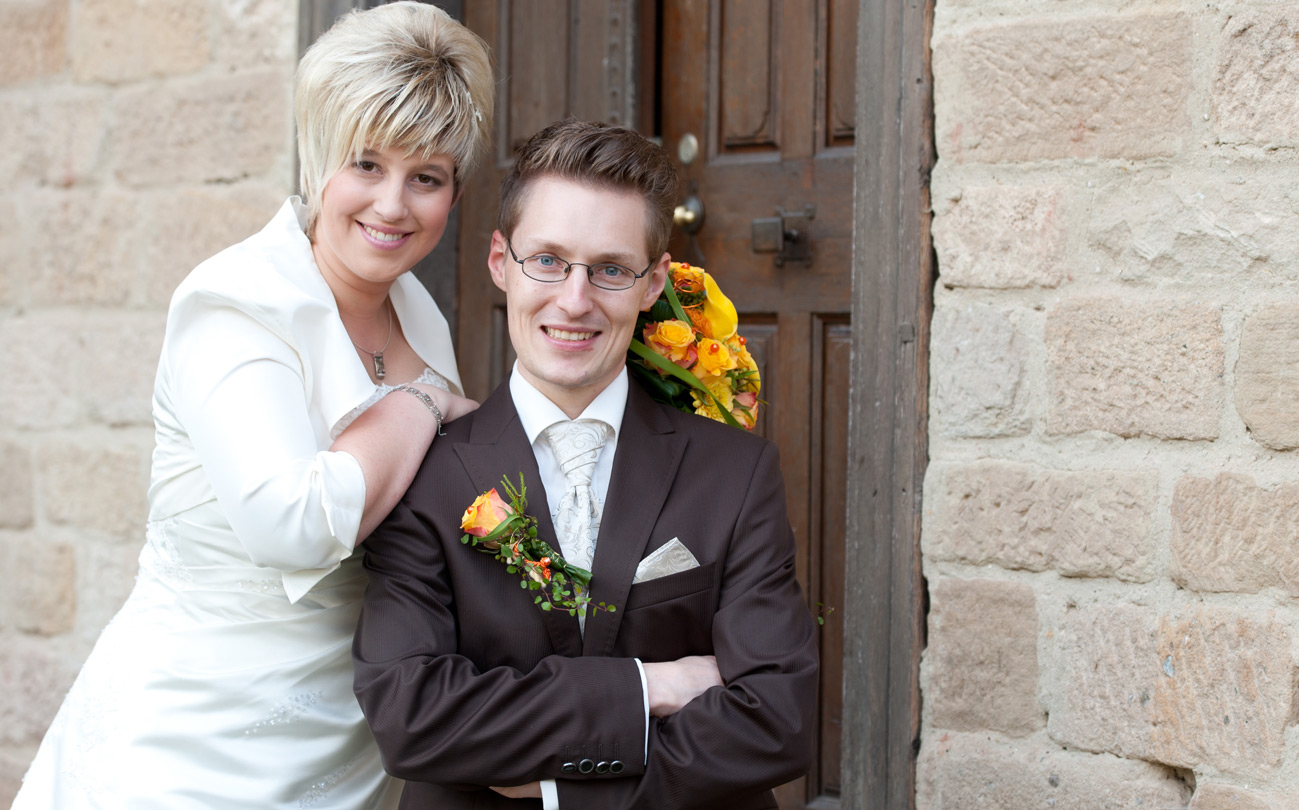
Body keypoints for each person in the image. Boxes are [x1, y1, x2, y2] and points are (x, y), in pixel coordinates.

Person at [13, 4, 493, 808]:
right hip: (192, 742)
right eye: (366, 163)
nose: (392, 205)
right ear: (317, 156)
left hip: (347, 749)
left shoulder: (420, 313)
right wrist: (421, 401)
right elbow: (288, 523)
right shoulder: (235, 303)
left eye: (427, 178)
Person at [352, 119, 819, 809]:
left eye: (610, 270)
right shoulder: (425, 473)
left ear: (652, 282)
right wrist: (650, 687)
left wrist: (559, 792)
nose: (574, 300)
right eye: (547, 260)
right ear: (500, 261)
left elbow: (777, 721)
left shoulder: (737, 472)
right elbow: (412, 718)